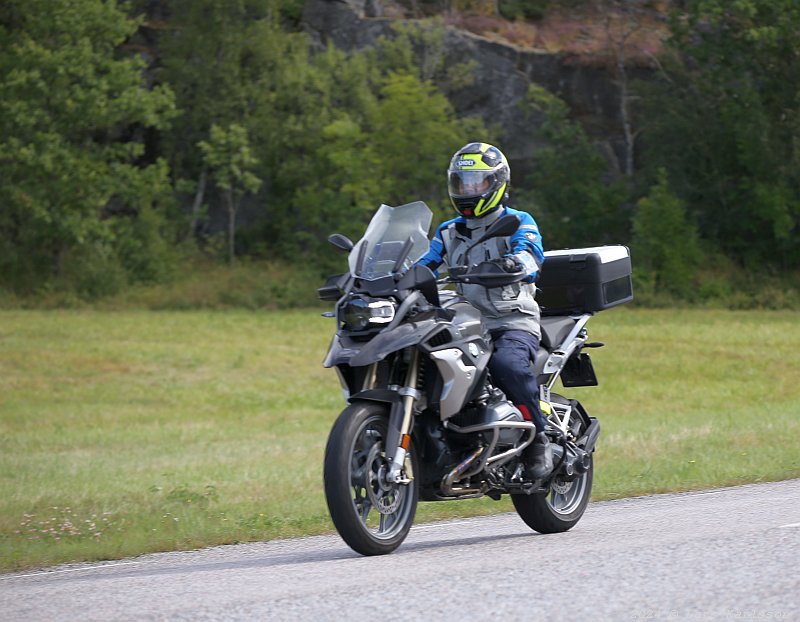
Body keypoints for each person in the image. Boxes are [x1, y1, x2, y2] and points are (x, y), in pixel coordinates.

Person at [418, 142, 553, 480]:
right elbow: (425, 265)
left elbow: (532, 254)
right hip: (465, 321)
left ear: (496, 183)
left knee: (506, 365)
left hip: (511, 320)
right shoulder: (448, 231)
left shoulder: (518, 221)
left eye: (476, 182)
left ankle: (539, 438)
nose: (467, 190)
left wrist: (511, 264)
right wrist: (391, 278)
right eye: (461, 183)